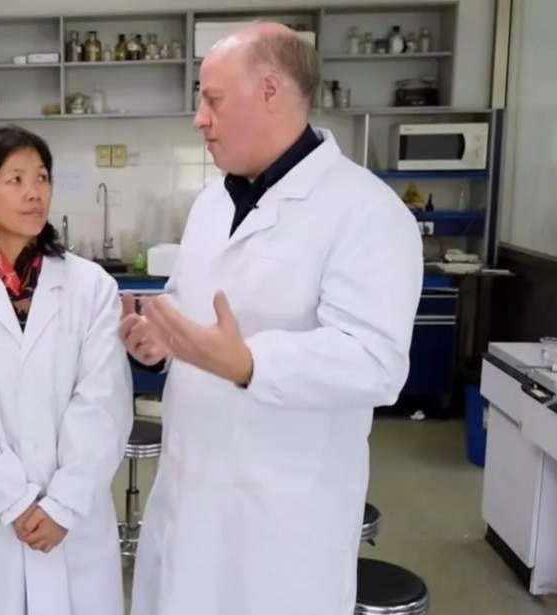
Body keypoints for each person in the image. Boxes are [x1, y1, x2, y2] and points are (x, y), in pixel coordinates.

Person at [122, 22, 424, 615]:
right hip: (188, 500)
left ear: (270, 92)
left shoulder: (367, 211)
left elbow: (376, 362)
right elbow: (189, 308)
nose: (198, 120)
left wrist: (251, 364)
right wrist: (156, 339)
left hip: (280, 524)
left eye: (211, 99)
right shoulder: (212, 204)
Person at [0, 125, 132, 615]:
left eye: (41, 177)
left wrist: (62, 505)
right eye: (14, 180)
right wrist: (15, 502)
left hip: (74, 522)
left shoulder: (90, 287)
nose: (34, 192)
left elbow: (103, 403)